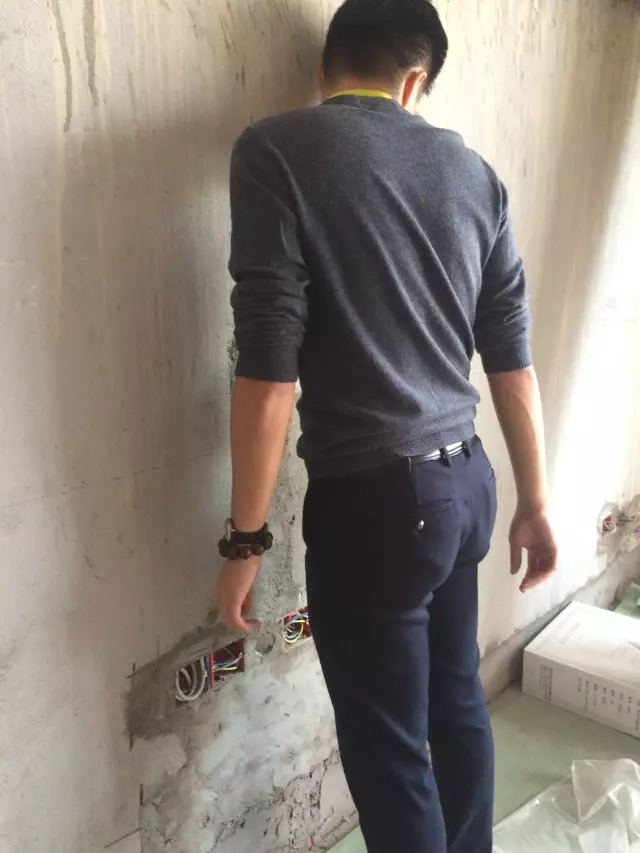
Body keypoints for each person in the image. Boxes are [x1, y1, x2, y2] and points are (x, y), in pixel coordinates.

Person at [215, 1, 558, 850]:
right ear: (414, 82)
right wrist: (536, 501)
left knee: (389, 750)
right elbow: (512, 363)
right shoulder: (476, 176)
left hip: (375, 507)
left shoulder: (274, 151)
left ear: (323, 68)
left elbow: (270, 371)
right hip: (469, 485)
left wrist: (245, 539)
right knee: (458, 705)